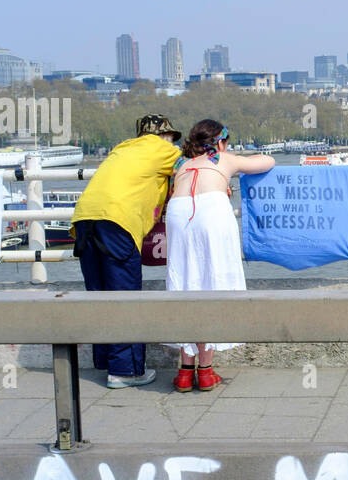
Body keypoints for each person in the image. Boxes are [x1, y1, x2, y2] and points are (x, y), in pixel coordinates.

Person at [72, 114, 183, 388]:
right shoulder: (164, 151)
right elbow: (194, 168)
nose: (173, 142)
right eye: (171, 137)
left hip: (84, 219)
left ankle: (107, 362)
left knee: (99, 296)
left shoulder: (122, 149)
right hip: (117, 222)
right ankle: (125, 372)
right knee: (125, 297)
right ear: (163, 136)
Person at [164, 119, 275, 391]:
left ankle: (184, 372)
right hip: (211, 209)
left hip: (178, 212)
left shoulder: (181, 165)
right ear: (220, 141)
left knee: (186, 284)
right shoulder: (223, 159)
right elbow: (266, 162)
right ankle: (205, 370)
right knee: (213, 282)